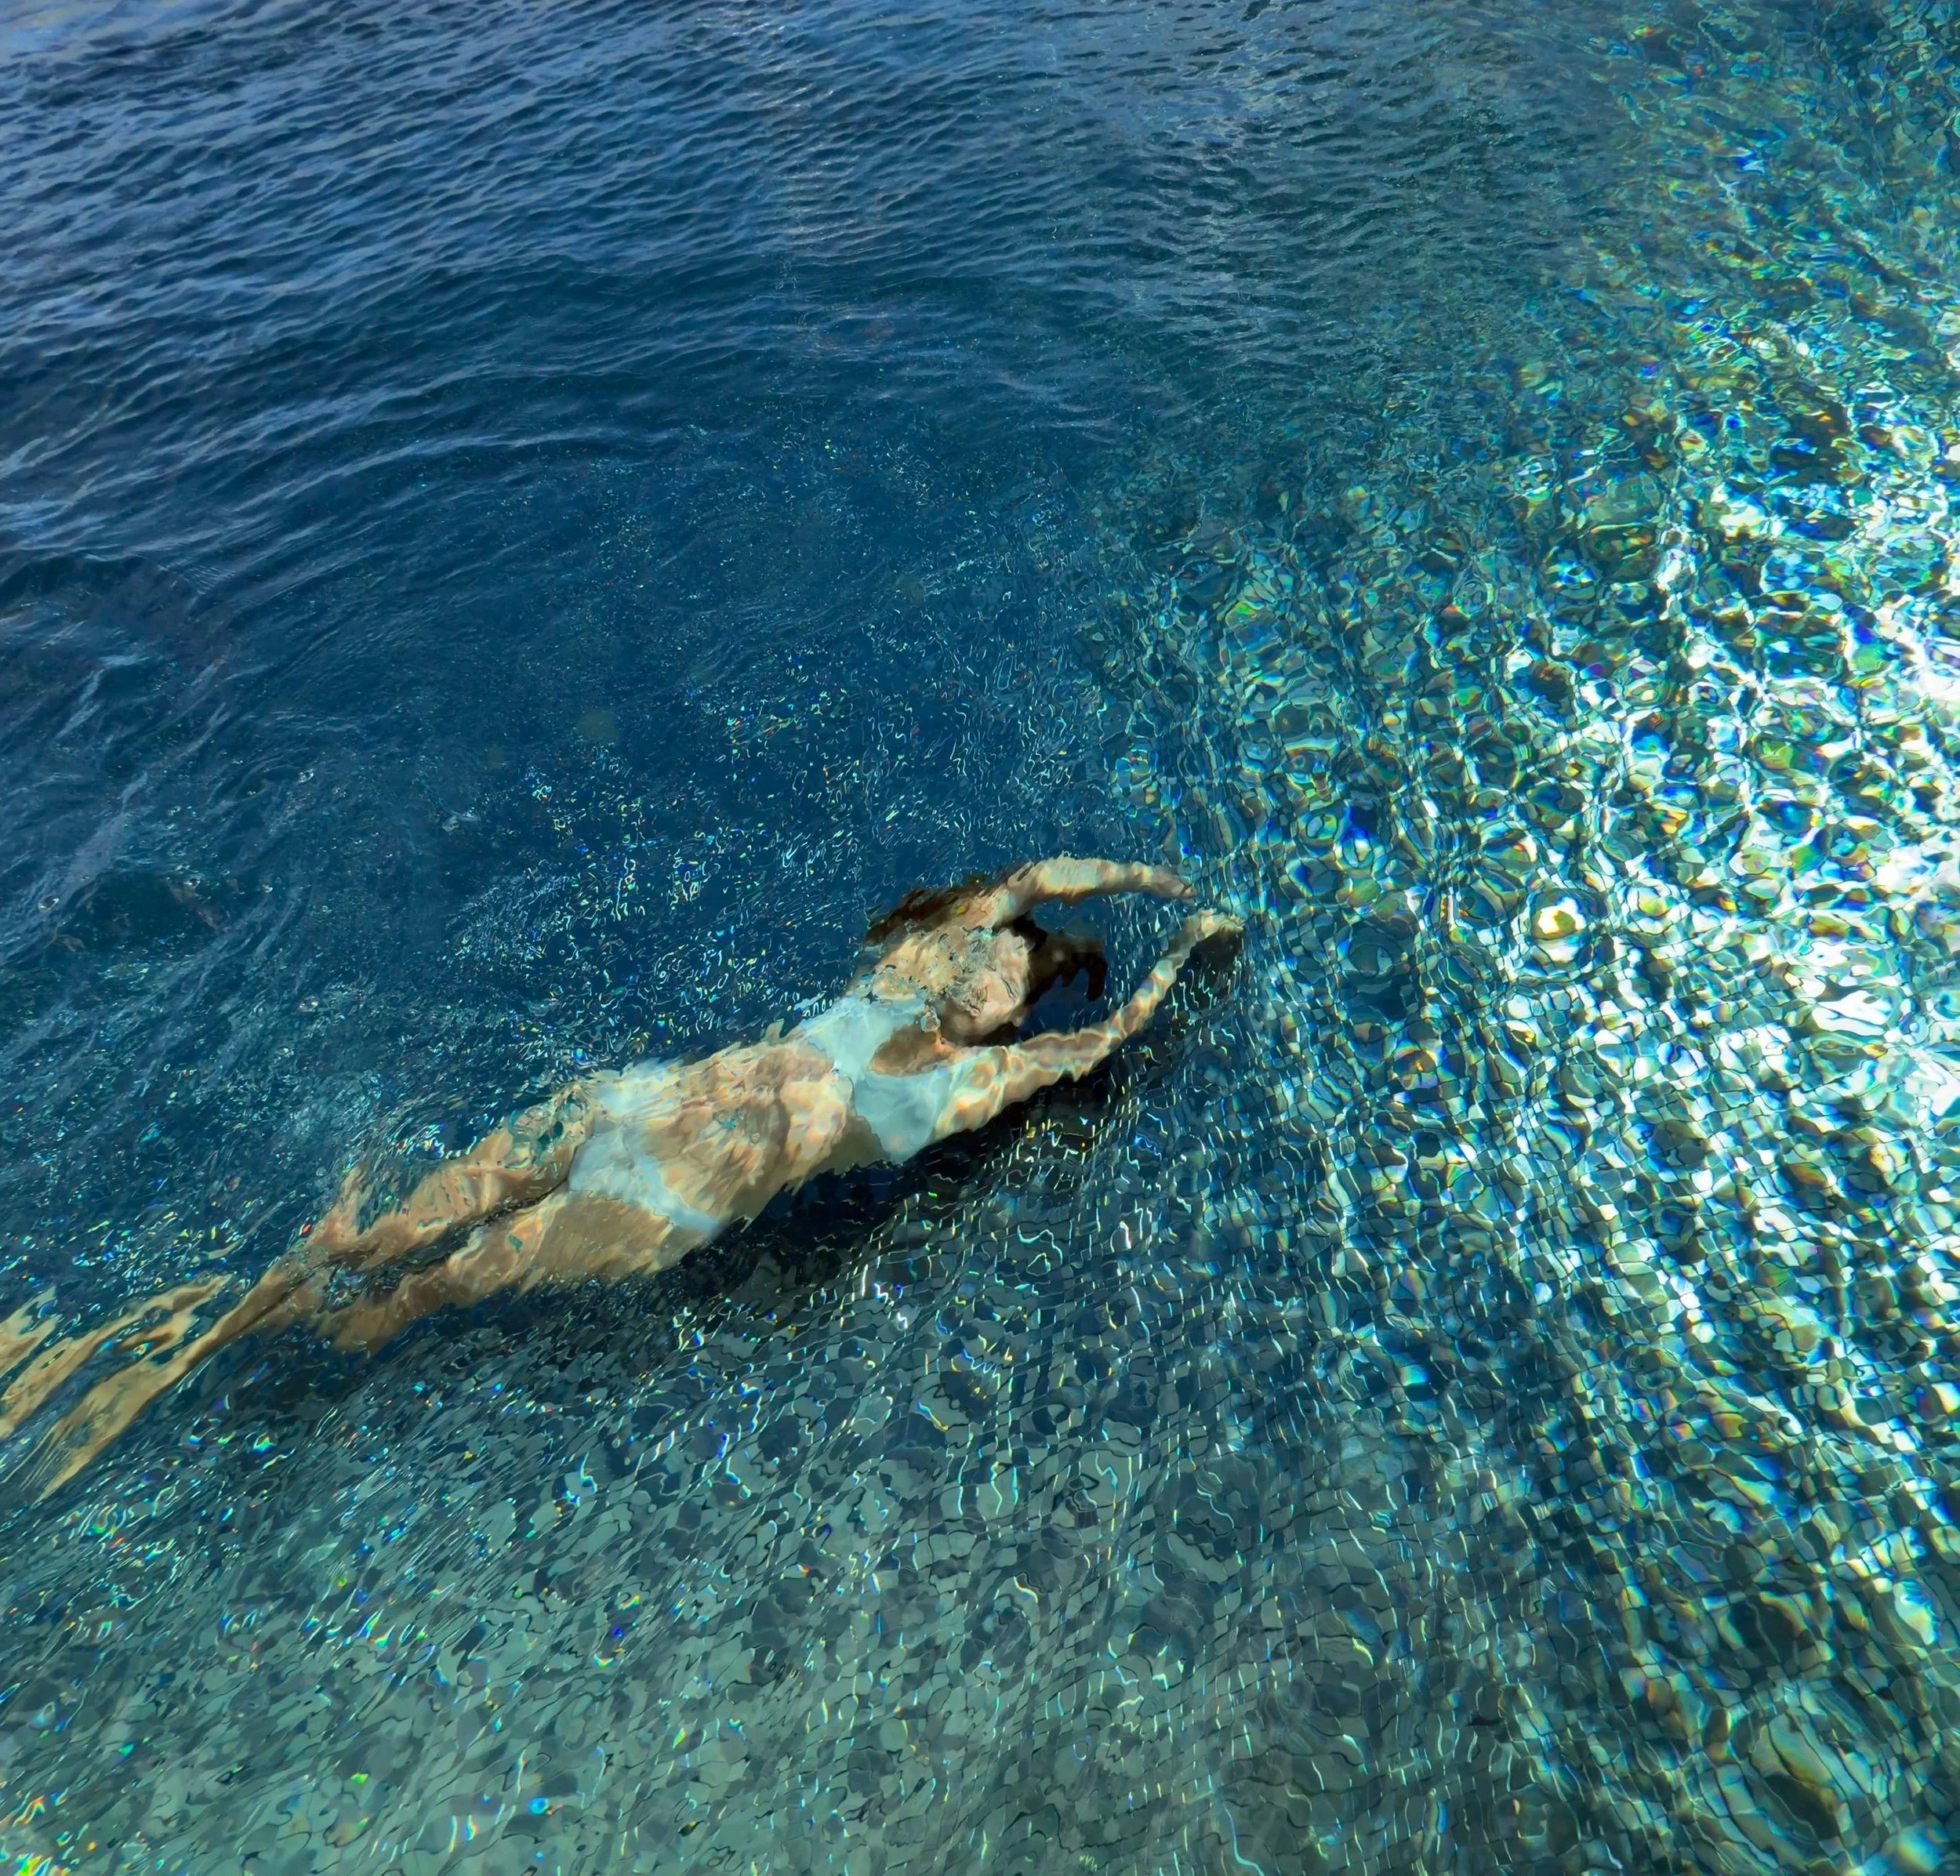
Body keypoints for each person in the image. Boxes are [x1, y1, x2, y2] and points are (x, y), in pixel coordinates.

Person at [0, 858, 1238, 1494]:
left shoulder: (965, 1088)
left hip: (646, 1202)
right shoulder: (912, 974)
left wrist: (1178, 952)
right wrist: (1146, 880)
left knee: (401, 1296)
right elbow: (1035, 879)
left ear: (1002, 1024)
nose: (984, 984)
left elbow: (1106, 1039)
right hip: (623, 1114)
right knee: (369, 1243)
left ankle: (171, 1359)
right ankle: (170, 1342)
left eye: (1005, 993)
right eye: (990, 963)